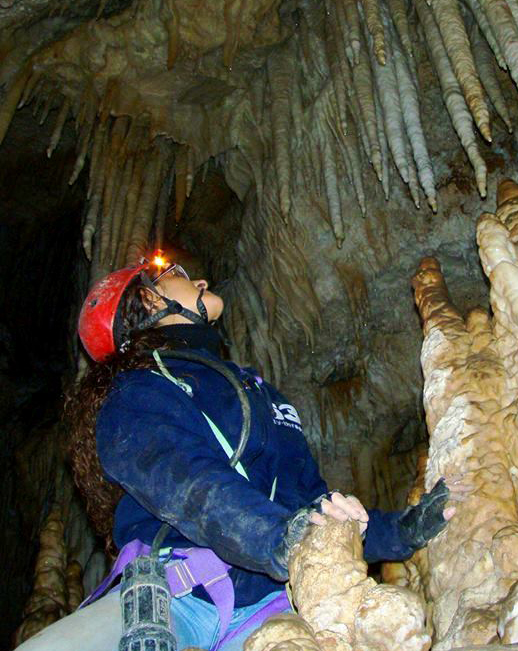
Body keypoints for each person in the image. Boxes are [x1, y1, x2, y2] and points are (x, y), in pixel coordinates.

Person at [17, 255, 463, 651]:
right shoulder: (135, 395)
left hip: (271, 606)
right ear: (150, 304)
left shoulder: (262, 395)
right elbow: (188, 485)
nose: (201, 281)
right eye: (174, 275)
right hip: (176, 602)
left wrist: (400, 533)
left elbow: (311, 503)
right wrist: (280, 539)